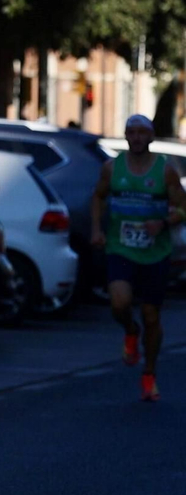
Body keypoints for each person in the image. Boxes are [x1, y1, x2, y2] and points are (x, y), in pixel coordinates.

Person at [92, 113, 186, 400]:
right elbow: (98, 197)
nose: (136, 138)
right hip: (121, 247)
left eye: (141, 133)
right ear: (125, 137)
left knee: (152, 316)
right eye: (131, 133)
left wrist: (165, 222)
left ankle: (149, 372)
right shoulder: (112, 168)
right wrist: (96, 229)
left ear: (151, 137)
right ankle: (130, 330)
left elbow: (183, 209)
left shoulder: (165, 171)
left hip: (155, 252)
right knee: (119, 303)